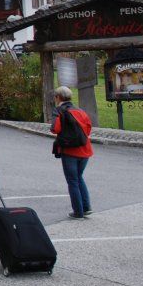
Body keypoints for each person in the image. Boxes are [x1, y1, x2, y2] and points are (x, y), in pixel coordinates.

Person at [51, 85, 94, 219]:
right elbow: (88, 128)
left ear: (58, 97)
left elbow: (55, 129)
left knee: (72, 181)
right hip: (85, 149)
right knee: (79, 177)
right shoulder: (80, 111)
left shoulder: (59, 111)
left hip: (70, 151)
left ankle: (78, 211)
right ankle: (86, 207)